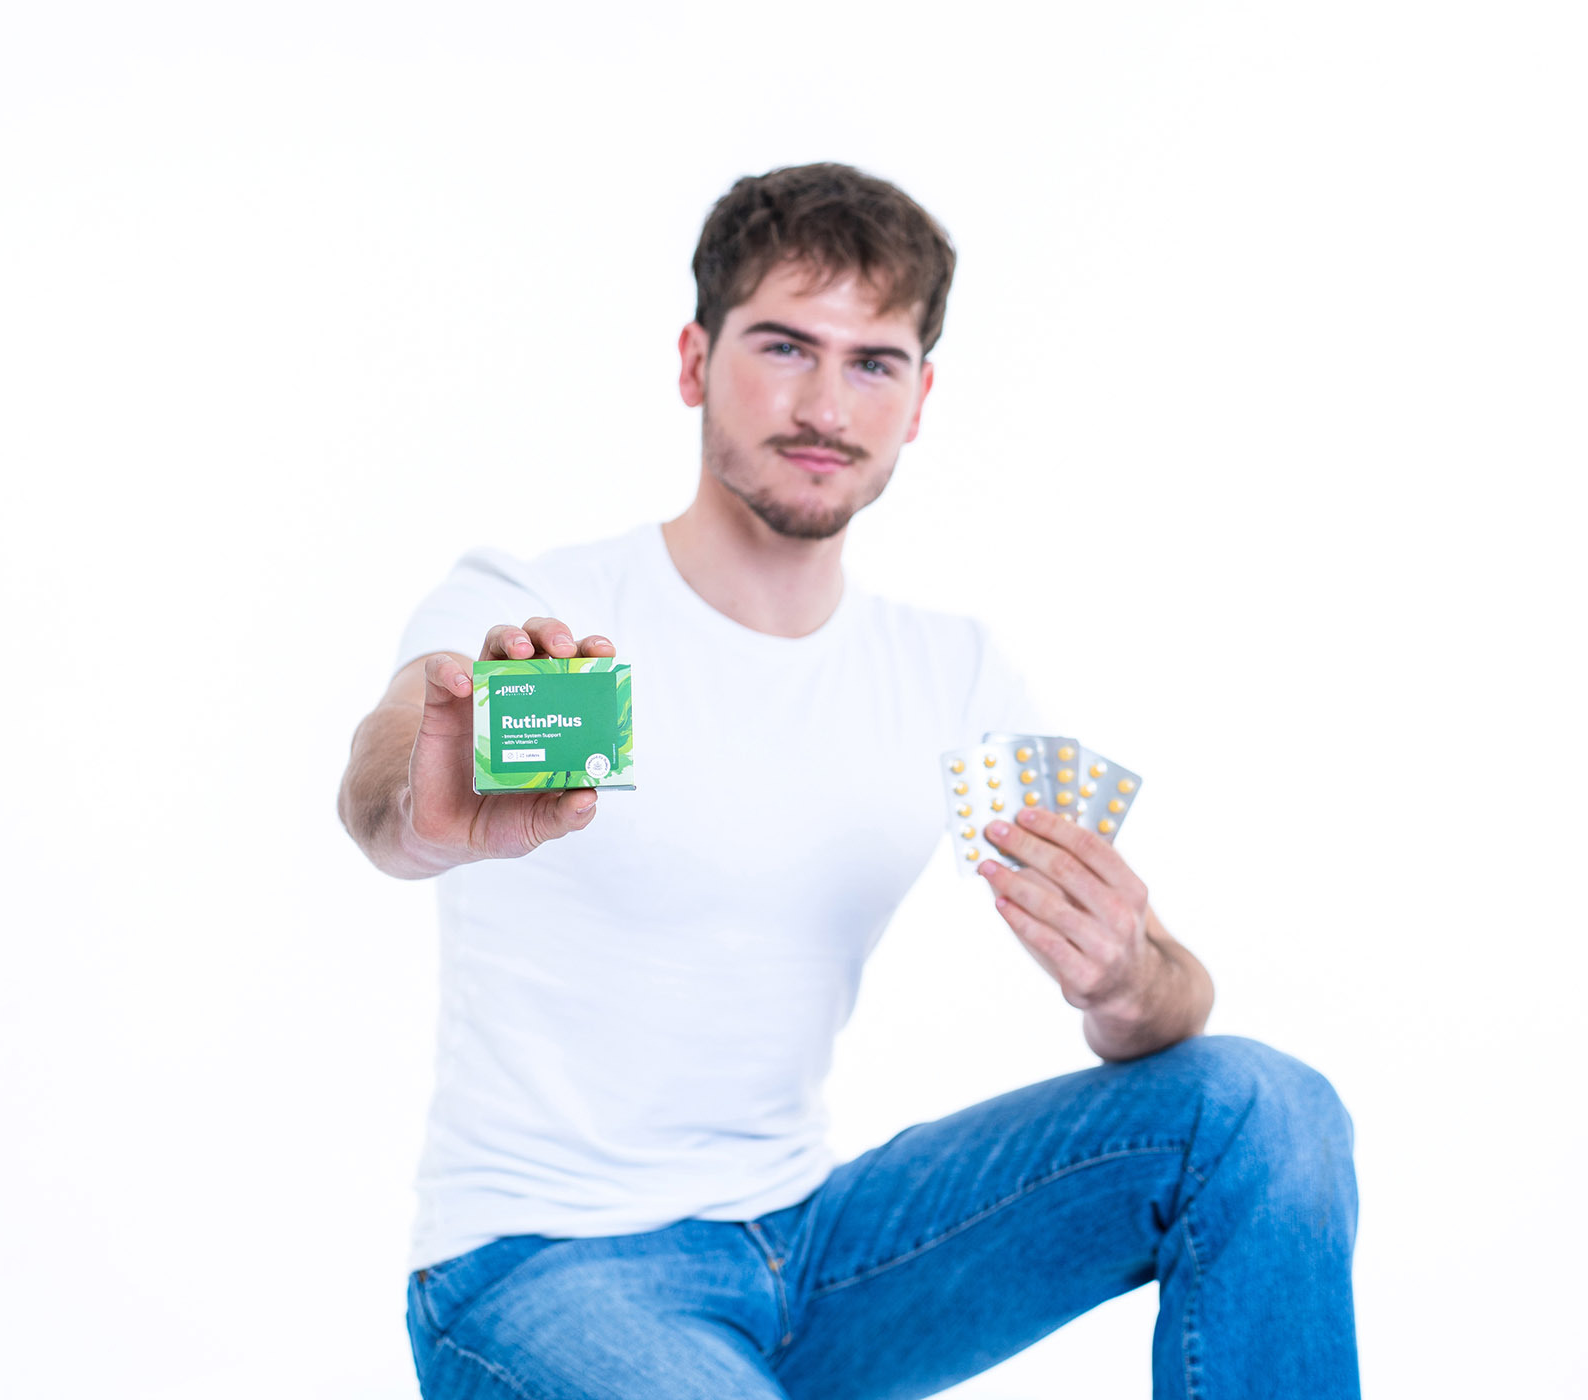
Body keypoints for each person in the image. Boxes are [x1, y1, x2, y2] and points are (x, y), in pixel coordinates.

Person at [338, 162, 1358, 1399]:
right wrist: (424, 808)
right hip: (539, 1269)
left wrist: (1124, 977)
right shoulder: (541, 607)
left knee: (1260, 1107)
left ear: (920, 399)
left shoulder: (948, 671)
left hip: (817, 1252)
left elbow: (1175, 994)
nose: (825, 404)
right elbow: (386, 781)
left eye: (873, 361)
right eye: (784, 346)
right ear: (693, 360)